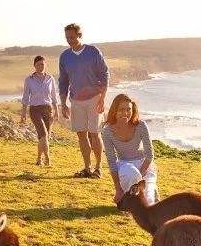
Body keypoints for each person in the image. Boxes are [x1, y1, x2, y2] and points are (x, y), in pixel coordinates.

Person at [58, 23, 109, 178]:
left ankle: (98, 168)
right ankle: (87, 168)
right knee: (81, 134)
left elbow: (105, 74)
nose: (69, 40)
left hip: (94, 99)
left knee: (95, 134)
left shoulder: (93, 52)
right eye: (67, 37)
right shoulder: (65, 56)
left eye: (72, 37)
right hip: (76, 100)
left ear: (79, 35)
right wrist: (63, 102)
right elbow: (63, 81)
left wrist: (102, 98)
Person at [102, 93, 159, 205]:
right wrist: (118, 190)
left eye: (128, 110)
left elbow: (149, 155)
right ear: (114, 111)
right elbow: (112, 162)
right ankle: (130, 194)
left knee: (149, 203)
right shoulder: (107, 131)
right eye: (121, 110)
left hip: (144, 166)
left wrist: (141, 176)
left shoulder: (141, 126)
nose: (125, 113)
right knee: (131, 173)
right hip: (124, 166)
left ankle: (151, 190)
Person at [20, 55, 59, 166]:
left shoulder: (50, 79)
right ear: (34, 66)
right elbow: (25, 96)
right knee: (44, 135)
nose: (40, 66)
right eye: (38, 65)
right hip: (35, 110)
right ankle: (47, 158)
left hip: (48, 109)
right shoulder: (29, 79)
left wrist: (56, 110)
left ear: (45, 65)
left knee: (43, 137)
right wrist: (23, 113)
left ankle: (38, 159)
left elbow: (53, 95)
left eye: (42, 64)